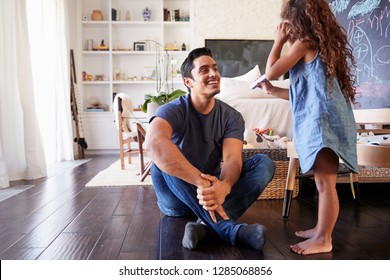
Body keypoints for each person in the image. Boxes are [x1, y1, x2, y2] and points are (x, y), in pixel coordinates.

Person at [144, 47, 275, 250]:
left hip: (213, 194)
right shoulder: (173, 110)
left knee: (264, 163)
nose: (213, 74)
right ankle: (231, 230)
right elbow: (152, 144)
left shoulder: (231, 117)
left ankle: (203, 227)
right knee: (162, 159)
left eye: (215, 68)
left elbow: (232, 159)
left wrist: (225, 187)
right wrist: (200, 181)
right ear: (188, 82)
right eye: (204, 70)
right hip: (176, 196)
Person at [256, 0, 358, 255]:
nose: (285, 26)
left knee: (325, 184)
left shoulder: (305, 43)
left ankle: (324, 239)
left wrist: (278, 40)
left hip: (323, 123)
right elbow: (304, 93)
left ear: (297, 18)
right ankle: (321, 229)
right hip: (326, 119)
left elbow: (270, 70)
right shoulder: (317, 45)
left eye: (287, 20)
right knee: (324, 182)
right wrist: (271, 91)